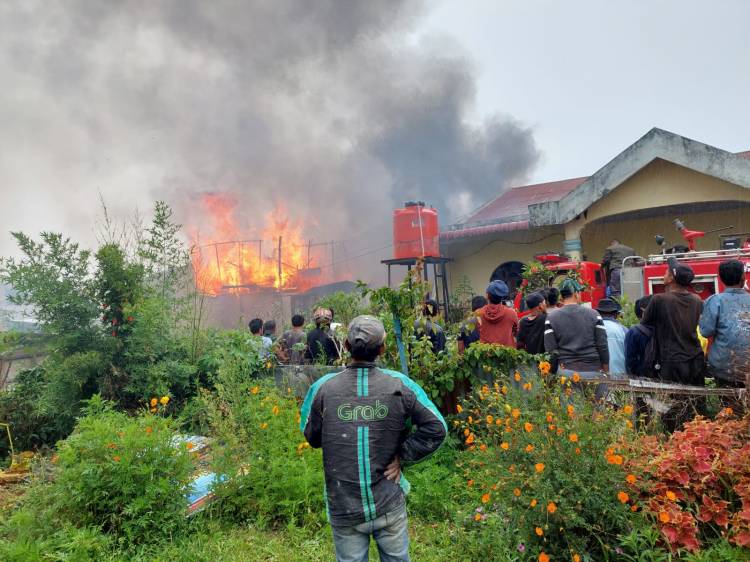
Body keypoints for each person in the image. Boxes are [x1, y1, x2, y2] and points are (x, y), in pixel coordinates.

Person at [300, 315, 447, 562]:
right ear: (382, 348)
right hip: (388, 500)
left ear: (346, 346)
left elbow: (312, 437)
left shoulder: (324, 388)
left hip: (344, 504)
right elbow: (437, 427)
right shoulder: (400, 385)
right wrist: (402, 455)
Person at [642, 257, 705, 430]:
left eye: (667, 271)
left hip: (670, 362)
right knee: (694, 405)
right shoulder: (697, 300)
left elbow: (645, 324)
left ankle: (674, 442)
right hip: (695, 359)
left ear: (672, 278)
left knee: (671, 407)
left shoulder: (659, 300)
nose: (664, 273)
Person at [699, 259, 750, 413]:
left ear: (720, 278)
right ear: (743, 277)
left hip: (725, 367)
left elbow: (705, 331)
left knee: (730, 410)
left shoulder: (715, 301)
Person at [544, 279, 609, 375]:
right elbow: (602, 345)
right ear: (576, 294)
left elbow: (551, 350)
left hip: (566, 372)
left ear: (561, 296)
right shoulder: (594, 314)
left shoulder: (551, 318)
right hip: (593, 370)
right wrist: (606, 370)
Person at [478, 280, 518, 347]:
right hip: (507, 354)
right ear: (502, 297)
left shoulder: (479, 313)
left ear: (487, 295)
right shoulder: (511, 313)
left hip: (485, 354)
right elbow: (516, 332)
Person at [596, 298, 628, 375]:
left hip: (599, 378)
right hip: (621, 377)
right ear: (615, 314)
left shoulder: (593, 328)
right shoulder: (624, 330)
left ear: (598, 313)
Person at [624, 295, 654, 377]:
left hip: (642, 378)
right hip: (665, 379)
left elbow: (630, 362)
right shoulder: (666, 328)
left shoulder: (634, 332)